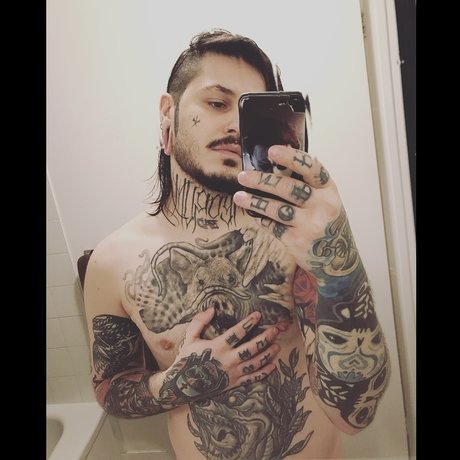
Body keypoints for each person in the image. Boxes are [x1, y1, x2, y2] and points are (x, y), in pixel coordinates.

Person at [83, 29, 390, 460]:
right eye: (217, 103)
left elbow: (356, 413)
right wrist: (178, 383)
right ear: (168, 113)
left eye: (251, 111)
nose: (235, 125)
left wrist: (341, 268)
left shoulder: (297, 235)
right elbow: (111, 387)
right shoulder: (112, 262)